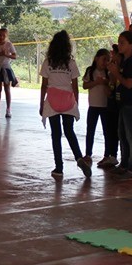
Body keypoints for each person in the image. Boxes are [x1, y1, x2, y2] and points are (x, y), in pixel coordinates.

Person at [40, 30, 91, 179]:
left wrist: (41, 104)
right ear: (67, 47)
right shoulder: (71, 63)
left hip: (52, 99)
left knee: (56, 135)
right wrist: (76, 103)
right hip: (68, 99)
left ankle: (59, 168)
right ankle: (79, 157)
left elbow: (44, 85)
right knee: (69, 132)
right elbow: (75, 86)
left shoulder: (47, 62)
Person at [108, 31, 132, 177]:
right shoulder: (125, 61)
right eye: (119, 42)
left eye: (122, 43)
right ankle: (125, 163)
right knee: (122, 134)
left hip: (130, 102)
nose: (119, 45)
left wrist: (116, 74)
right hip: (123, 102)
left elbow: (129, 83)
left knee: (131, 135)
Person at [82, 48, 110, 163]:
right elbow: (85, 85)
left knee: (106, 131)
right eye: (104, 59)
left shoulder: (108, 72)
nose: (105, 63)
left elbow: (110, 89)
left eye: (108, 60)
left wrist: (106, 84)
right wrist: (96, 82)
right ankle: (88, 153)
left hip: (105, 105)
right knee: (90, 130)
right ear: (97, 59)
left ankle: (107, 154)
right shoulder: (90, 71)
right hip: (93, 105)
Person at [0, 27, 17, 117]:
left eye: (3, 35)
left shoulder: (9, 45)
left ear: (6, 36)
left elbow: (15, 56)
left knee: (7, 89)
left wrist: (6, 54)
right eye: (0, 35)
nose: (1, 37)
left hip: (6, 68)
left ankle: (8, 109)